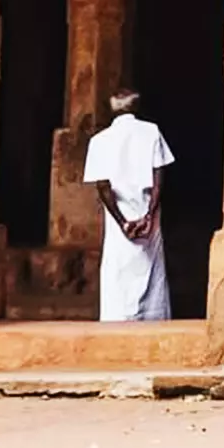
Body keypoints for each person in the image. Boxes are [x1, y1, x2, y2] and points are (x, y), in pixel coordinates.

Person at [83, 89, 174, 322]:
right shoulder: (151, 132)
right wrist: (148, 216)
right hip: (147, 215)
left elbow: (103, 187)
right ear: (137, 107)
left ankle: (117, 323)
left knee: (117, 271)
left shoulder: (99, 141)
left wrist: (123, 222)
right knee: (151, 273)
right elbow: (158, 178)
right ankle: (152, 321)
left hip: (118, 219)